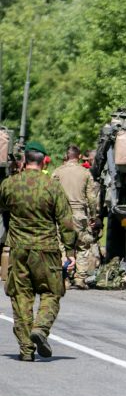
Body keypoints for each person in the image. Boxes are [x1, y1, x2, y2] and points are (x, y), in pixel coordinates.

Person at [0, 141, 76, 361]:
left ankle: (25, 349)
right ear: (44, 162)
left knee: (21, 297)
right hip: (47, 250)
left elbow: (2, 207)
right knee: (52, 292)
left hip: (18, 250)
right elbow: (66, 220)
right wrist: (70, 252)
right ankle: (40, 328)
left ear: (24, 162)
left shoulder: (9, 184)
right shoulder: (52, 186)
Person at [52, 144, 98, 289]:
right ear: (78, 157)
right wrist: (93, 216)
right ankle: (80, 278)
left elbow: (51, 195)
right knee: (82, 246)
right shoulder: (85, 173)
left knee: (62, 246)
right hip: (80, 214)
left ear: (66, 156)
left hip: (61, 214)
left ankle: (64, 277)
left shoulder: (57, 172)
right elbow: (91, 198)